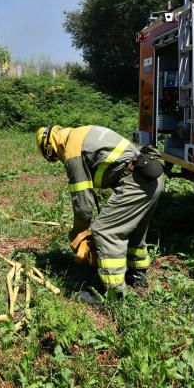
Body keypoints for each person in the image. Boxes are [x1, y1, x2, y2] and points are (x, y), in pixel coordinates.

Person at [36, 124, 165, 303]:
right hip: (152, 178)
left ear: (50, 148)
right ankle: (136, 274)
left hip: (137, 181)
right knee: (135, 227)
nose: (57, 159)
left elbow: (83, 206)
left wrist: (78, 233)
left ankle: (111, 292)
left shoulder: (72, 150)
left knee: (105, 231)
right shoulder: (81, 133)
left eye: (52, 156)